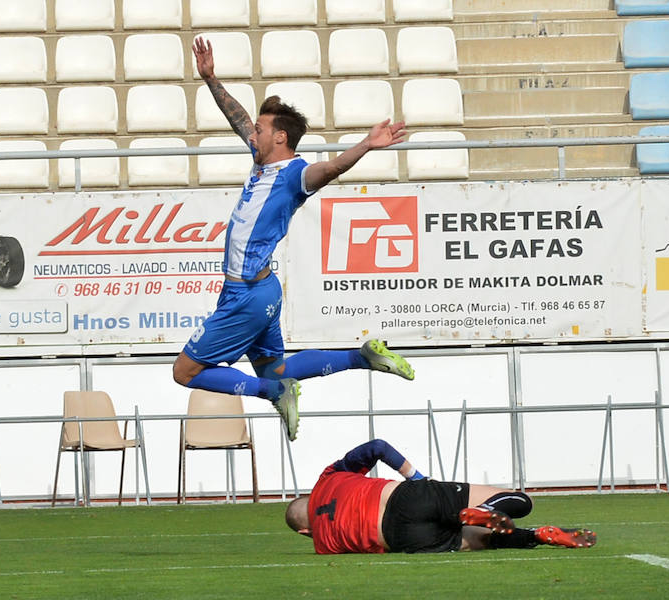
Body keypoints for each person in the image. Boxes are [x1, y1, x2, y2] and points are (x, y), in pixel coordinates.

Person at [172, 37, 413, 441]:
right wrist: (210, 78)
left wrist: (367, 145)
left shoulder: (294, 175)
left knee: (185, 372)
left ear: (280, 138)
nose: (254, 132)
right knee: (275, 367)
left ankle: (272, 393)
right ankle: (363, 356)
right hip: (262, 289)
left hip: (247, 295)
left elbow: (332, 168)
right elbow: (238, 119)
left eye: (262, 128)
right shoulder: (262, 161)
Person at [284, 438, 597, 554]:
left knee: (480, 540)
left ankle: (537, 537)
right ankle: (485, 508)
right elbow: (376, 447)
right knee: (518, 500)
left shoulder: (322, 544)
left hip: (401, 539)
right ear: (310, 495)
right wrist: (419, 480)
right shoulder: (328, 478)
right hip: (406, 497)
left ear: (304, 531)